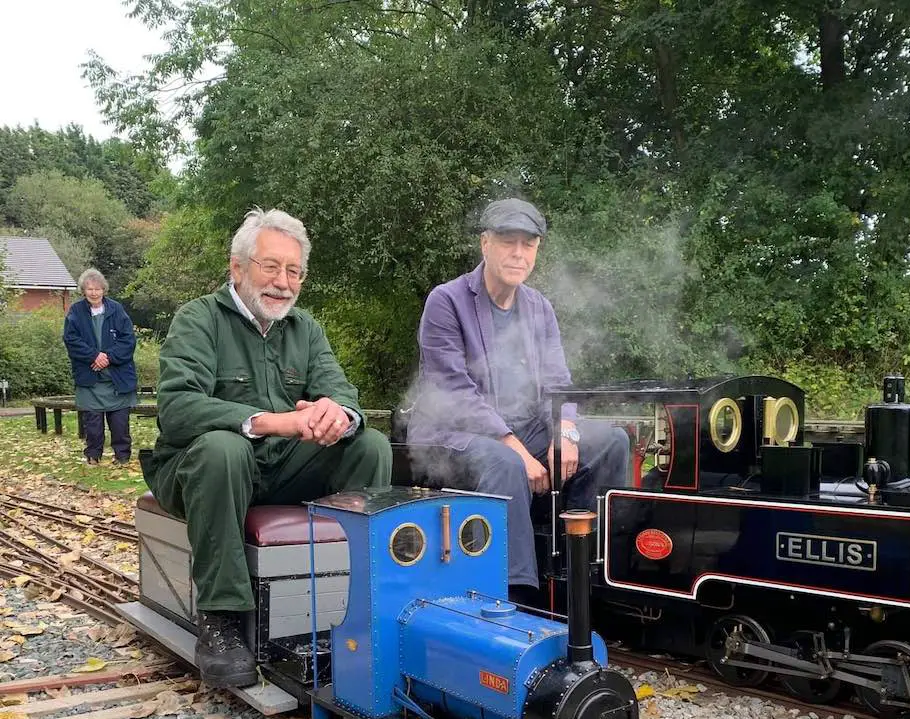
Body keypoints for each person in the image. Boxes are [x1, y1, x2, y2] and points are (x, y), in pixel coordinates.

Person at [143, 208, 392, 688]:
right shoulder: (198, 319)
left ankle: (363, 600)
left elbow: (342, 392)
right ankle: (222, 621)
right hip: (200, 470)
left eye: (294, 271)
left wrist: (338, 415)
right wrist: (274, 421)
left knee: (370, 446)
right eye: (270, 266)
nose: (283, 281)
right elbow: (177, 410)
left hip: (278, 469)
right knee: (223, 449)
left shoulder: (306, 329)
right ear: (237, 268)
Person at [406, 197, 629, 604]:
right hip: (452, 433)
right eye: (509, 241)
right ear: (485, 244)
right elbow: (453, 391)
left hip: (525, 426)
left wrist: (565, 430)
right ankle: (515, 596)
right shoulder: (446, 300)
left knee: (612, 441)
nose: (518, 253)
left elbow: (558, 383)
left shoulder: (539, 307)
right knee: (506, 463)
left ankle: (585, 571)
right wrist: (516, 447)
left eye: (528, 244)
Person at [62, 269, 137, 466]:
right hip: (90, 377)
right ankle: (93, 456)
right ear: (83, 291)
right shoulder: (76, 312)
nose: (94, 293)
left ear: (104, 289)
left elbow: (128, 340)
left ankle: (122, 456)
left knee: (120, 422)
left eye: (97, 289)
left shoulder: (117, 309)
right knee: (93, 423)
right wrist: (94, 355)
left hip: (117, 377)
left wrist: (108, 357)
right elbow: (71, 339)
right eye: (89, 289)